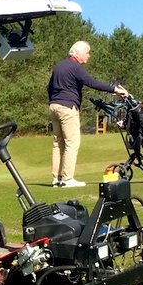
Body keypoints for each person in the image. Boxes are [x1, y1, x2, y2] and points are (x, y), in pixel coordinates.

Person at [47, 41, 127, 187]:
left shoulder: (59, 66)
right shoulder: (75, 66)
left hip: (54, 106)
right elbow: (91, 82)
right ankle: (67, 179)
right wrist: (114, 89)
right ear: (78, 54)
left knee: (58, 143)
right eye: (87, 53)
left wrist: (53, 101)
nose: (88, 56)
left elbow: (49, 87)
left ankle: (56, 179)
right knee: (72, 142)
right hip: (67, 107)